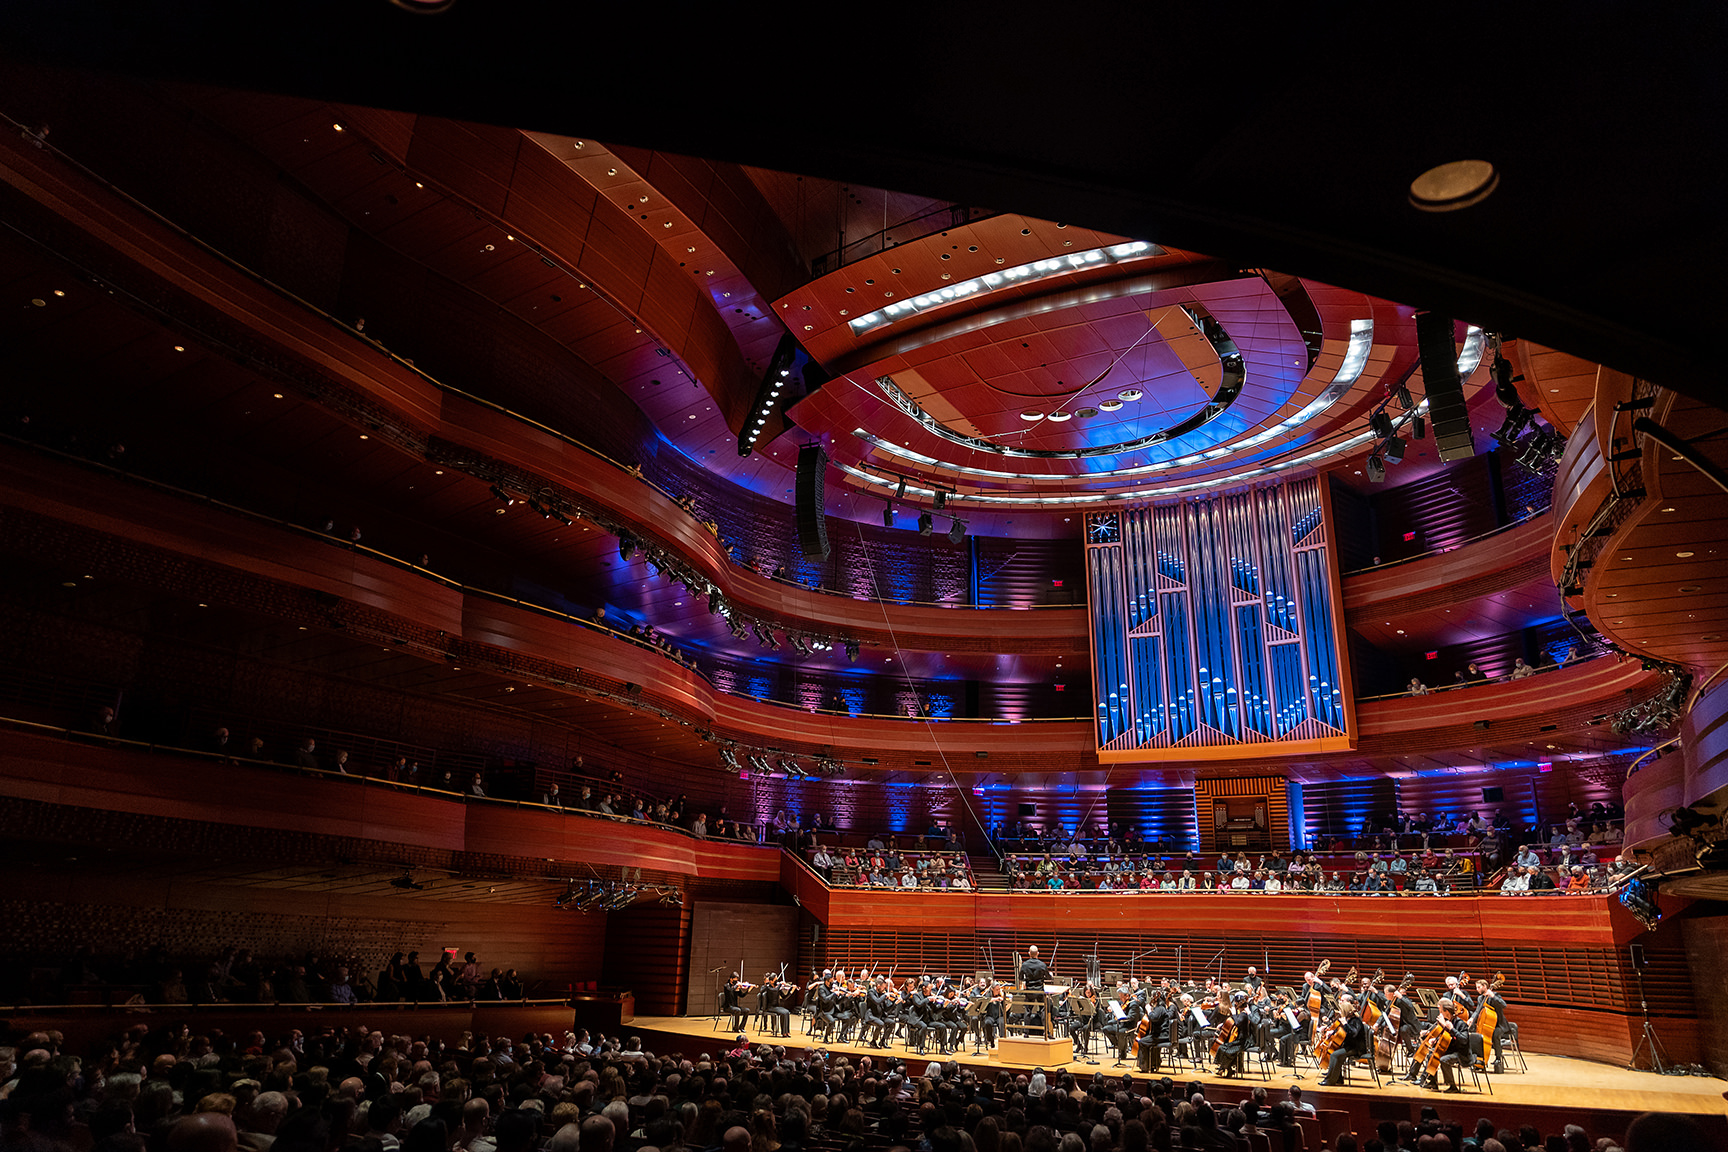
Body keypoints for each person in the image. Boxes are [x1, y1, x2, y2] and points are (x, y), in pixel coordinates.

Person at [1317, 993, 1369, 1085]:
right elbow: (1340, 1030)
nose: (1339, 1013)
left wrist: (1345, 1023)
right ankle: (1338, 1079)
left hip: (1357, 1048)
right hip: (1349, 1046)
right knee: (1335, 1053)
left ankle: (1330, 1080)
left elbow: (1353, 1033)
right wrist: (1332, 1032)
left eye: (1341, 1011)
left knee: (1334, 1055)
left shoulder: (1355, 1020)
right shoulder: (1348, 1019)